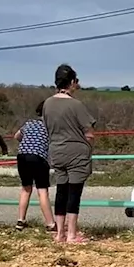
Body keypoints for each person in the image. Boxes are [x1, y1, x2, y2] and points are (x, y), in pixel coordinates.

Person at [43, 64, 96, 244]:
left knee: (61, 191)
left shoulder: (47, 104)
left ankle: (59, 234)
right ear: (72, 82)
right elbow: (88, 132)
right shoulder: (76, 104)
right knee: (74, 193)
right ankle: (72, 234)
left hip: (56, 151)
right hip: (76, 152)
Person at [14, 101, 56, 231]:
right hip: (38, 157)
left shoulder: (29, 123)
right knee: (42, 191)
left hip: (22, 156)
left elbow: (17, 136)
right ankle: (50, 223)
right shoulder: (50, 126)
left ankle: (20, 220)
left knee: (26, 188)